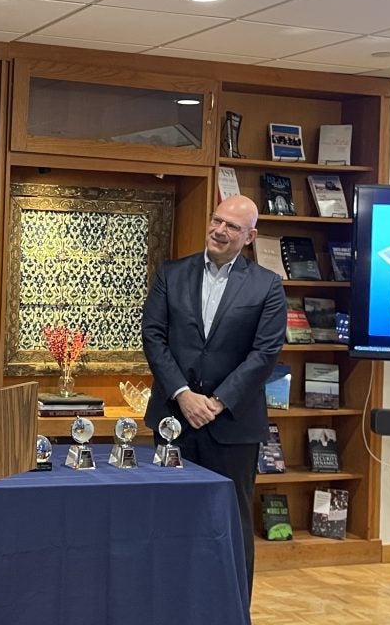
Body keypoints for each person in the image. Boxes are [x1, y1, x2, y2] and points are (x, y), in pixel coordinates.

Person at [142, 194, 286, 598]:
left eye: (232, 227)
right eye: (217, 220)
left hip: (232, 426)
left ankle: (230, 608)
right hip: (174, 419)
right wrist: (184, 394)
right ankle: (169, 606)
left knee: (231, 521)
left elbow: (266, 353)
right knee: (169, 518)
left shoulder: (268, 285)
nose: (219, 231)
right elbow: (153, 337)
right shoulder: (172, 274)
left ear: (250, 236)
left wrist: (218, 401)